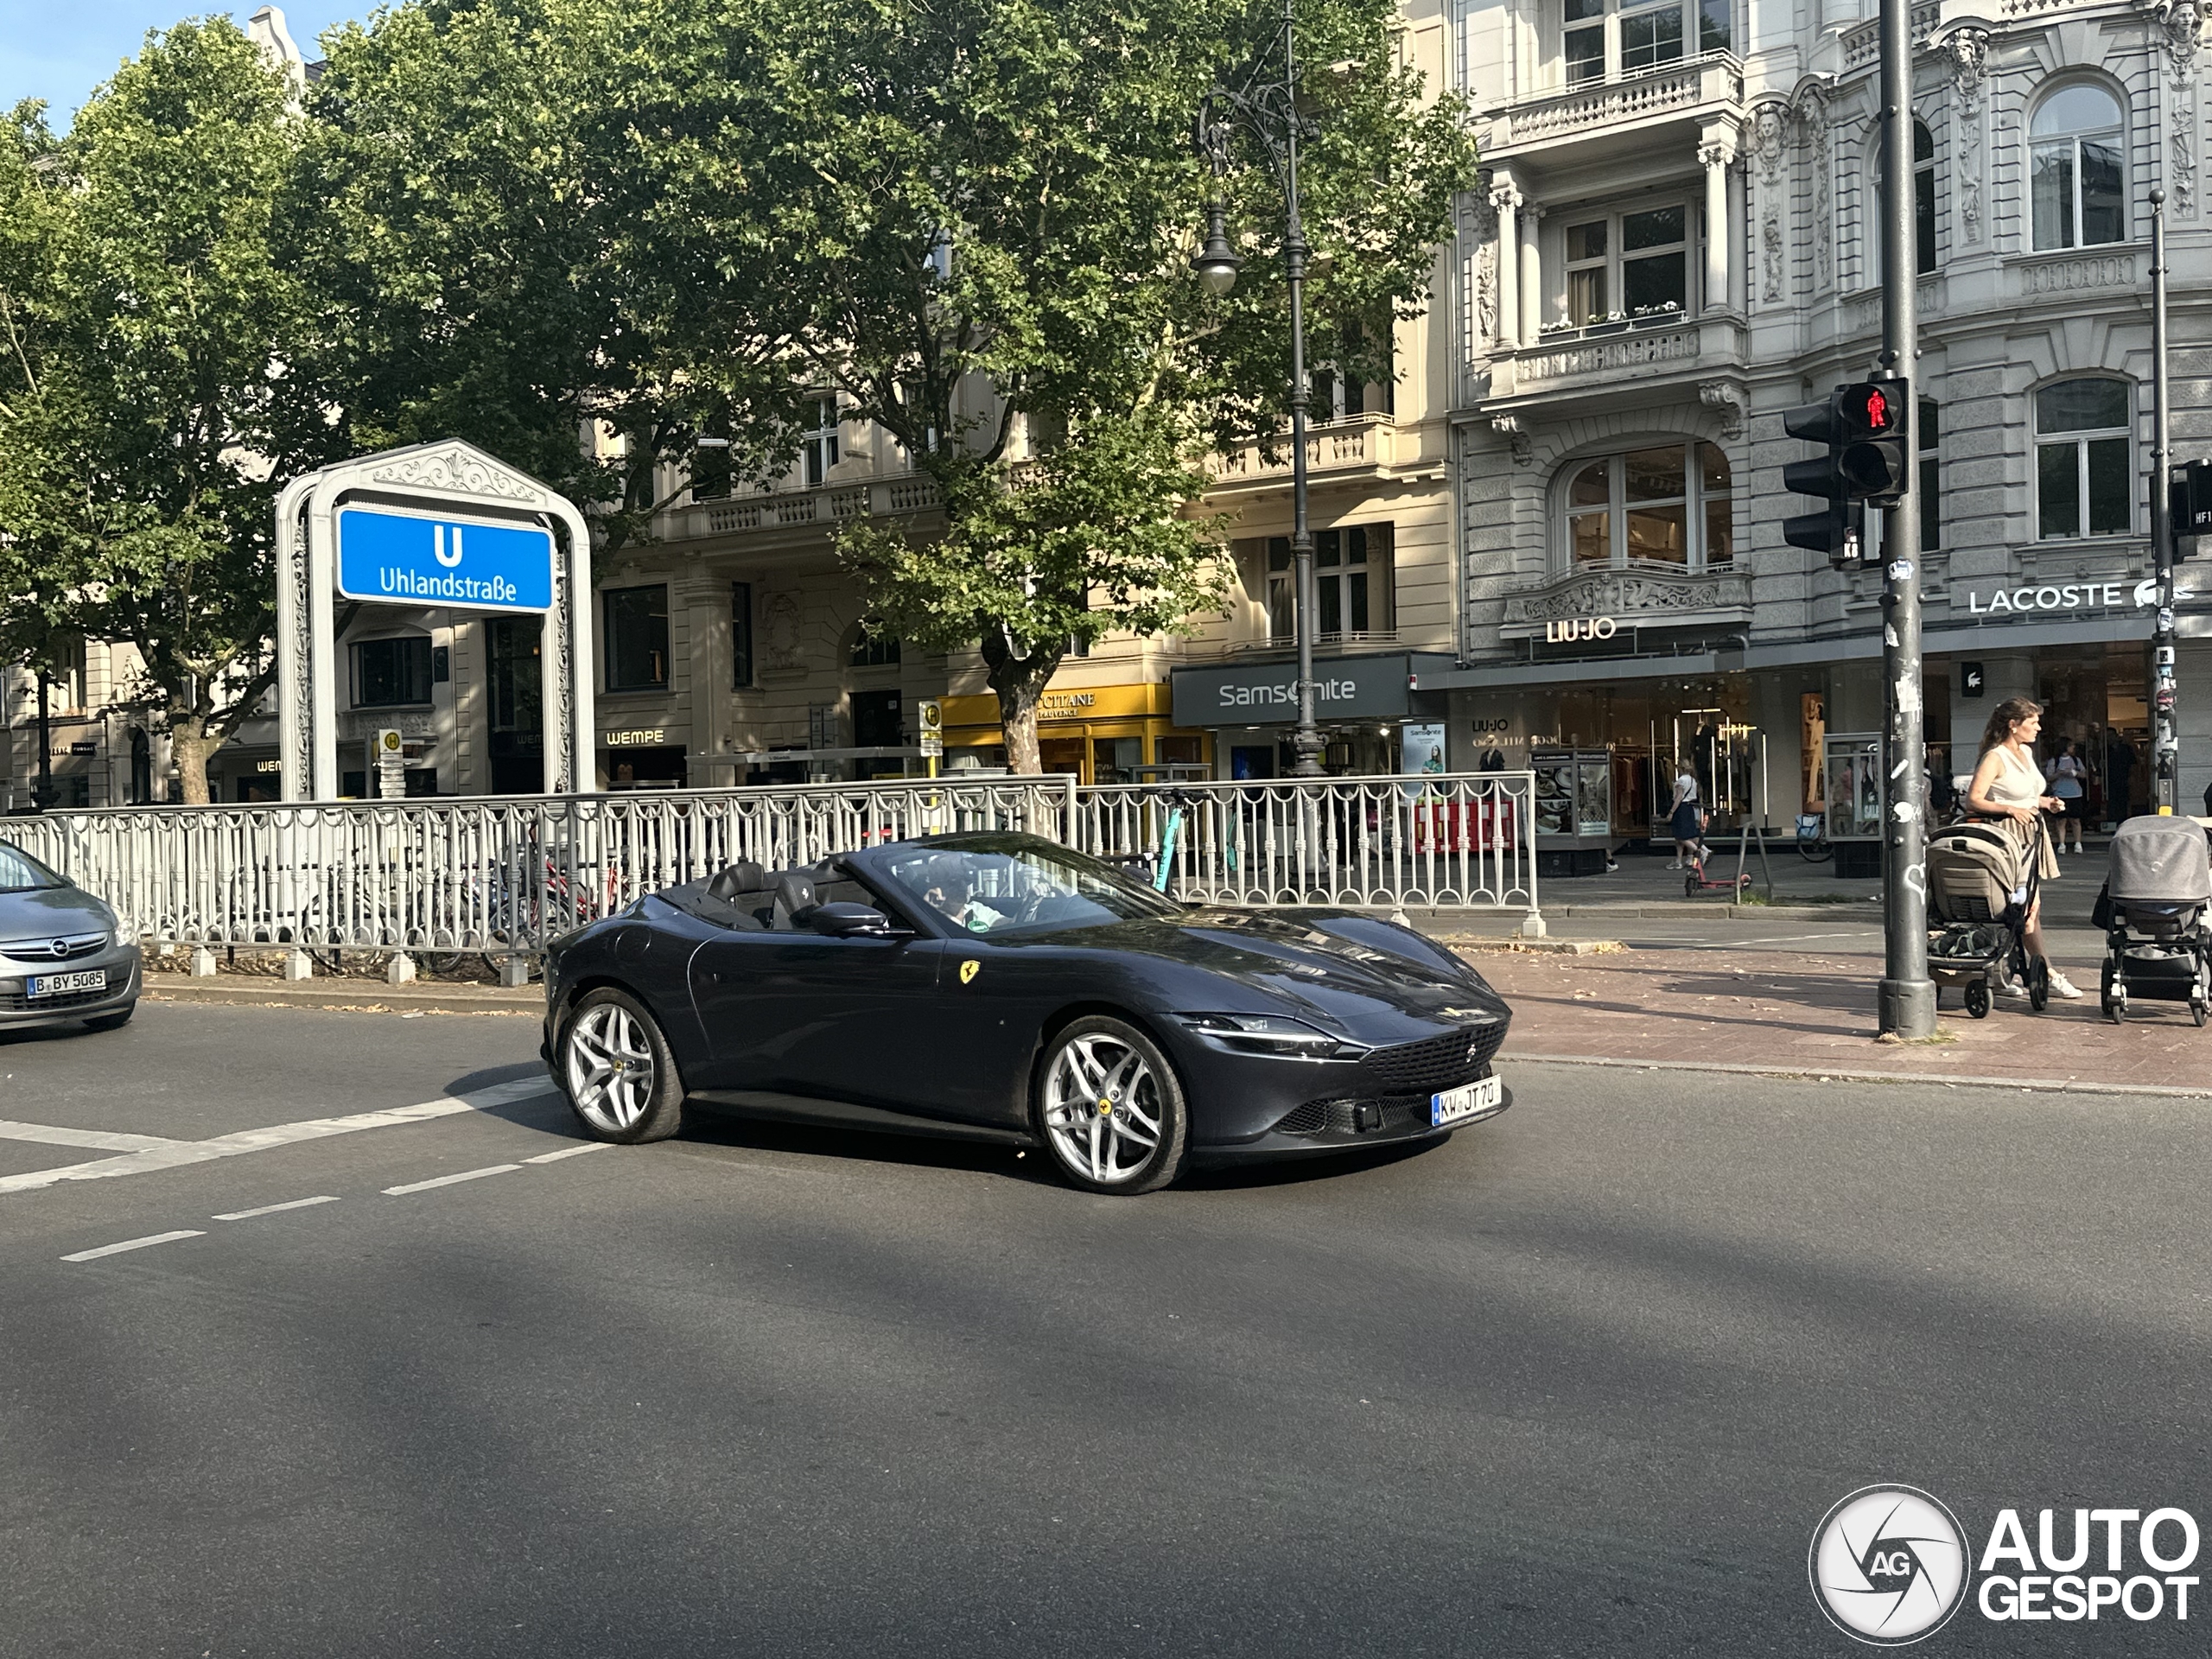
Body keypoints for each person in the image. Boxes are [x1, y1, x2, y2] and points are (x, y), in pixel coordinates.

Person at [1964, 696, 2080, 999]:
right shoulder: (1995, 757)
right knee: (2025, 908)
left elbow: (2027, 794)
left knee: (2027, 908)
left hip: (2032, 834)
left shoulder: (2026, 752)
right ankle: (2046, 973)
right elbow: (1974, 799)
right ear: (2013, 725)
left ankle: (2007, 969)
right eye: (2033, 723)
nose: (2039, 728)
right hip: (2008, 838)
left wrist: (2045, 803)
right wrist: (2009, 810)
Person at [2047, 739, 2090, 854]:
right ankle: (2062, 844)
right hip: (2059, 793)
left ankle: (2078, 843)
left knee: (2075, 819)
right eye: (2071, 746)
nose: (2073, 748)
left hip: (2075, 793)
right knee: (2061, 820)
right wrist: (2059, 773)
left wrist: (2074, 773)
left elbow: (2084, 774)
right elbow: (2049, 777)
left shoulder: (2076, 760)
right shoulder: (2054, 761)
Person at [1667, 760, 1703, 871]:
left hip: (1681, 808)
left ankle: (1699, 851)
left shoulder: (1681, 781)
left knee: (1680, 835)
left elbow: (1679, 797)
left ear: (1680, 768)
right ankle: (1686, 859)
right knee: (1689, 834)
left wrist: (1671, 812)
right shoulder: (1693, 780)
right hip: (1690, 807)